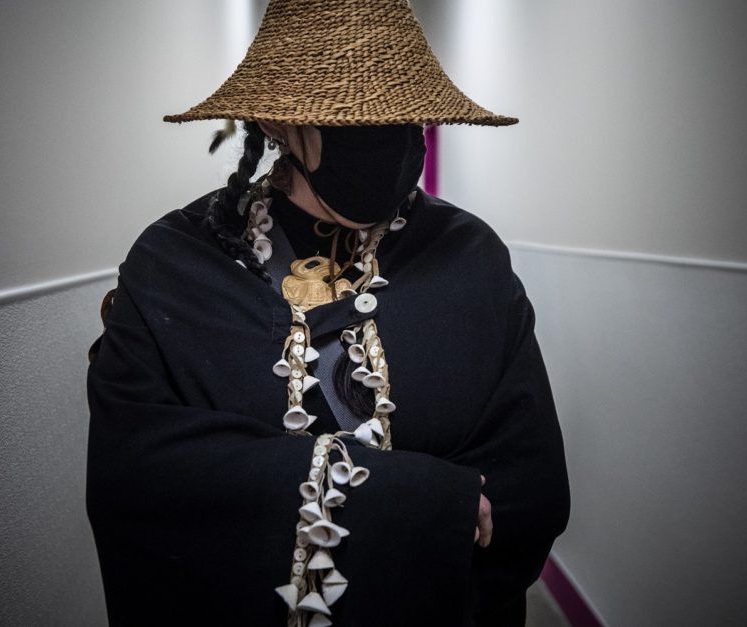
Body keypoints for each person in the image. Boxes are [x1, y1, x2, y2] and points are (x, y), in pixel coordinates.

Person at [85, 1, 570, 625]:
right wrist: (418, 502)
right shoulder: (175, 264)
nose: (387, 144)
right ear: (278, 123)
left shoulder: (469, 256)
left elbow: (528, 483)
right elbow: (140, 478)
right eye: (348, 122)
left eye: (403, 117)